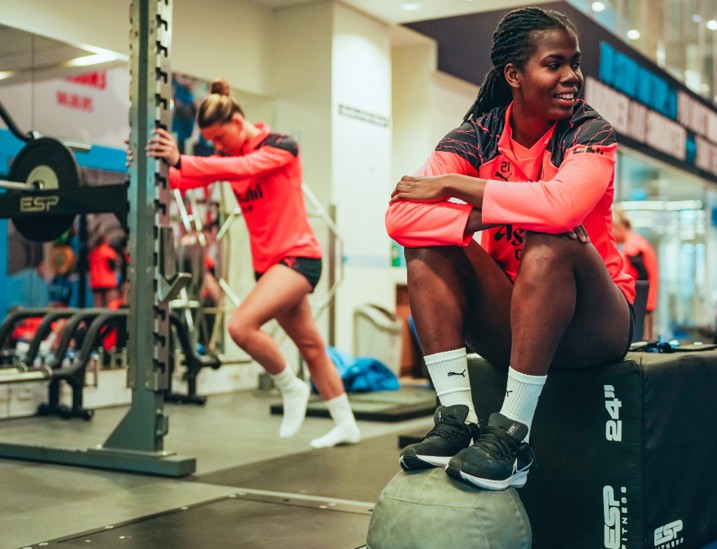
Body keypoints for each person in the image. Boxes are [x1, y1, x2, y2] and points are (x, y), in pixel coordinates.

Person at [386, 7, 633, 491]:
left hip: (594, 326)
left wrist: (458, 187)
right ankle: (457, 419)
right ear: (514, 75)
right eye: (554, 64)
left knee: (551, 239)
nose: (571, 78)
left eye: (574, 64)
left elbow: (561, 210)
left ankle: (513, 438)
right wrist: (496, 211)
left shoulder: (590, 131)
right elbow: (401, 217)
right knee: (427, 246)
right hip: (514, 318)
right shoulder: (475, 135)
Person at [143, 79, 359, 448]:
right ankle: (346, 424)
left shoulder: (281, 146)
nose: (216, 146)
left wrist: (183, 158)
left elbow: (242, 168)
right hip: (270, 266)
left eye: (218, 137)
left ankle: (291, 387)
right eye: (209, 141)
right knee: (311, 347)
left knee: (241, 327)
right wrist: (147, 163)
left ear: (238, 121)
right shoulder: (229, 157)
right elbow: (182, 178)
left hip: (298, 257)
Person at [612, 207, 657, 341]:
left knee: (641, 340)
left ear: (619, 226)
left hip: (641, 303)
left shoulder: (632, 246)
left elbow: (641, 275)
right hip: (647, 303)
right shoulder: (639, 242)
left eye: (612, 229)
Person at [88, 232, 120, 308]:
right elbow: (114, 264)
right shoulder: (108, 251)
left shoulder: (93, 253)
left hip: (96, 283)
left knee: (98, 306)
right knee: (111, 305)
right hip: (108, 282)